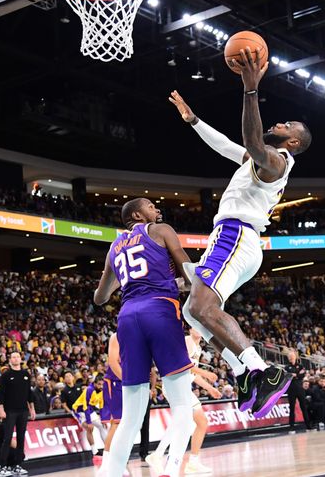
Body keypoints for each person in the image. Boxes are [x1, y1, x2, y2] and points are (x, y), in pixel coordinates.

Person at [168, 47, 312, 419]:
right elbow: (230, 146)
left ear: (293, 142)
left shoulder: (276, 161)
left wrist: (250, 89)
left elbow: (249, 143)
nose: (278, 125)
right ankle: (241, 371)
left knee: (201, 307)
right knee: (193, 311)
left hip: (236, 236)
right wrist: (193, 120)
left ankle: (262, 371)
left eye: (285, 127)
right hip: (234, 240)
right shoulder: (257, 158)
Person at [94, 198, 197, 477]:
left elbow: (100, 297)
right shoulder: (160, 230)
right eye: (152, 207)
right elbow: (189, 273)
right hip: (160, 310)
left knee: (130, 416)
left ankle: (111, 473)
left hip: (127, 318)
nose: (157, 210)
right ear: (139, 215)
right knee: (182, 404)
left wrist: (123, 279)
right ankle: (172, 471)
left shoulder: (114, 247)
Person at [147, 329, 221, 475]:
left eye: (201, 327)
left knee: (185, 422)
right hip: (174, 384)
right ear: (190, 329)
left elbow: (192, 373)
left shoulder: (197, 347)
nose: (199, 329)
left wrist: (210, 388)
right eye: (195, 326)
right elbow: (183, 365)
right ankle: (185, 461)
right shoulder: (187, 341)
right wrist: (206, 373)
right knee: (198, 422)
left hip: (181, 386)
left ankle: (159, 455)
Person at [0, 351, 35, 477]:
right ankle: (2, 466)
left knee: (21, 438)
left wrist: (32, 409)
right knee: (7, 438)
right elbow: (1, 394)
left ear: (20, 359)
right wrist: (1, 410)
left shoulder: (26, 374)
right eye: (13, 357)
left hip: (23, 411)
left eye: (18, 356)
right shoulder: (5, 376)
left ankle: (17, 465)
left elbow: (29, 393)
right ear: (10, 360)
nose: (16, 359)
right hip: (10, 411)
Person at [98, 333, 127, 476]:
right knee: (116, 423)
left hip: (127, 383)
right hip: (115, 382)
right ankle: (105, 464)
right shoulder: (116, 336)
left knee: (126, 425)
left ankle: (119, 462)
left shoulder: (137, 336)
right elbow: (113, 361)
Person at [72, 373, 107, 464]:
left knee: (102, 425)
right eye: (99, 384)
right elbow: (85, 407)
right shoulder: (90, 390)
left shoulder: (102, 391)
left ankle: (108, 449)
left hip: (89, 410)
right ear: (94, 383)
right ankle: (95, 452)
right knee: (89, 428)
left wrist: (103, 418)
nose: (101, 386)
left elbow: (102, 406)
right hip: (79, 410)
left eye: (102, 384)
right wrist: (89, 422)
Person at [285, 349, 308, 433]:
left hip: (300, 389)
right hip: (291, 390)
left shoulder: (300, 365)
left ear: (295, 356)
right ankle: (291, 427)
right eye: (289, 357)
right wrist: (297, 375)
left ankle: (308, 426)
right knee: (291, 409)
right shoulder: (287, 367)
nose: (291, 358)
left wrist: (295, 375)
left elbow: (303, 374)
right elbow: (288, 376)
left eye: (292, 356)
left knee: (304, 407)